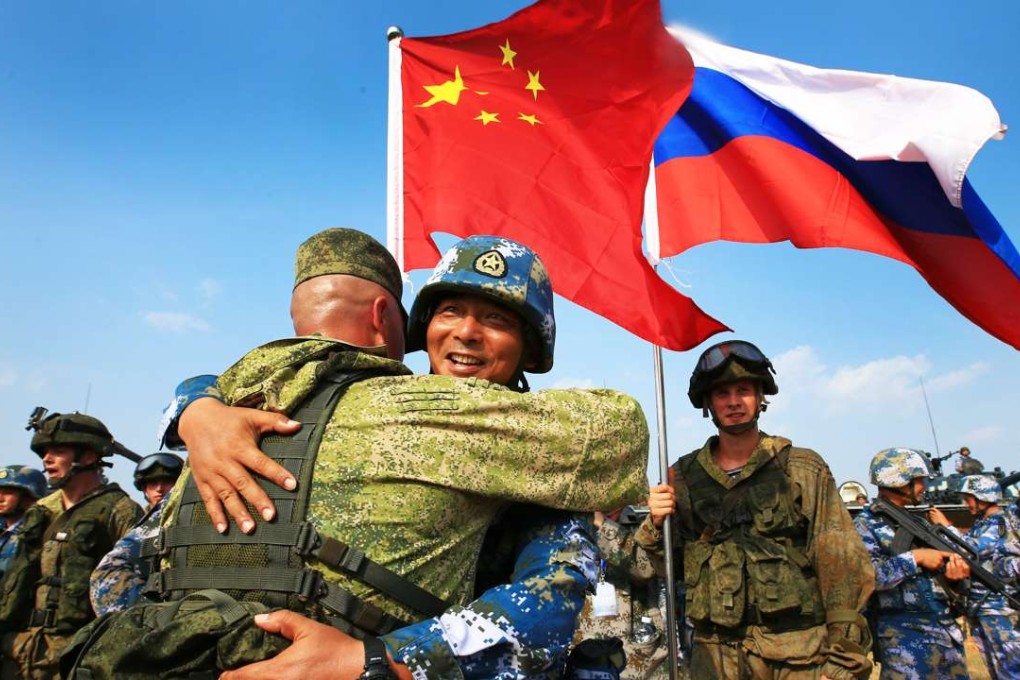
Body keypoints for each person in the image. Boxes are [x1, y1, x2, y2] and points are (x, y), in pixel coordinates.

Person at [94, 229, 647, 680]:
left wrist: (380, 660)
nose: (468, 333)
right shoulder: (287, 420)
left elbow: (546, 604)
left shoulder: (540, 457)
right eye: (450, 311)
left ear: (528, 346)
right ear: (420, 328)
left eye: (497, 320)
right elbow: (123, 569)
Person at [635, 339, 874, 679]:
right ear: (708, 403)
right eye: (722, 393)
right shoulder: (682, 477)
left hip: (798, 656)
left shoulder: (801, 468)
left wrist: (842, 660)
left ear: (760, 397)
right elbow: (659, 566)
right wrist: (656, 524)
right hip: (715, 658)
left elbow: (841, 563)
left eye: (744, 390)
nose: (734, 402)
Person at [0, 412, 142, 680]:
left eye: (59, 451)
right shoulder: (41, 513)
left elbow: (135, 594)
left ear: (88, 457)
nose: (47, 459)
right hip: (21, 654)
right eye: (44, 452)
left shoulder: (118, 510)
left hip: (78, 657)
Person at [853, 448, 971, 680]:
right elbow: (867, 576)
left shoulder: (920, 523)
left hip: (945, 630)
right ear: (899, 480)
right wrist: (916, 558)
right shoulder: (865, 525)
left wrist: (955, 577)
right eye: (919, 480)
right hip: (904, 638)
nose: (924, 486)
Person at [929, 475, 1020, 679]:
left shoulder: (999, 521)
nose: (966, 503)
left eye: (969, 497)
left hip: (999, 608)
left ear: (982, 497)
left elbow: (972, 551)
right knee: (996, 668)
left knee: (1011, 668)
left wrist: (946, 526)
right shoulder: (982, 522)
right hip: (982, 607)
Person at [571, 507, 668, 680]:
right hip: (576, 653)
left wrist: (602, 525)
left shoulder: (648, 521)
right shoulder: (564, 523)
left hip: (636, 659)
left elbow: (647, 567)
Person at [0, 466, 48, 578]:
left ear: (29, 498)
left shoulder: (40, 535)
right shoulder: (3, 532)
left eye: (8, 493)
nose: (0, 498)